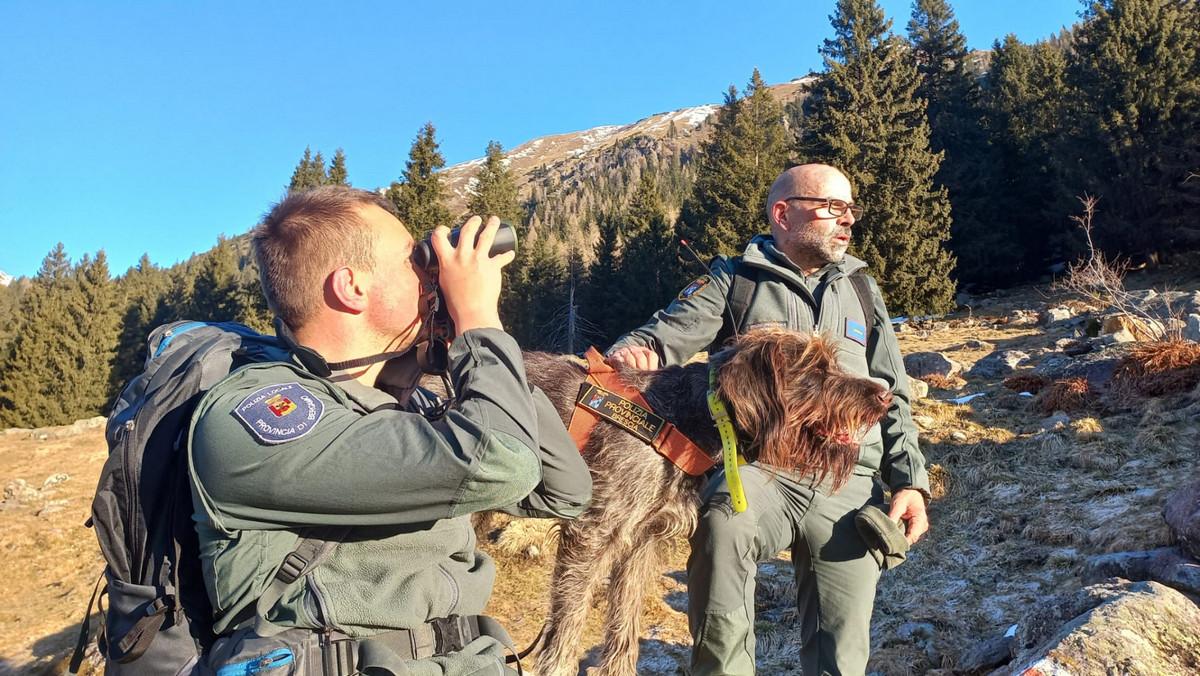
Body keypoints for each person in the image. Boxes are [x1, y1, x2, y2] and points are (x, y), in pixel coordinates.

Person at [188, 186, 591, 675]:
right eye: (416, 261)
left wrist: (468, 349)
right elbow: (500, 462)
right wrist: (478, 320)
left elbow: (564, 489)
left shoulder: (406, 402)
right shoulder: (255, 418)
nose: (434, 275)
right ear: (350, 286)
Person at [607, 164, 930, 675]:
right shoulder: (733, 281)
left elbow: (896, 394)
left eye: (851, 210)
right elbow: (658, 339)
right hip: (763, 471)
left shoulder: (863, 291)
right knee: (723, 521)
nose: (847, 221)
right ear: (783, 212)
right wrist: (630, 355)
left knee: (842, 656)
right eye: (833, 207)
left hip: (849, 482)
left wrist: (910, 481)